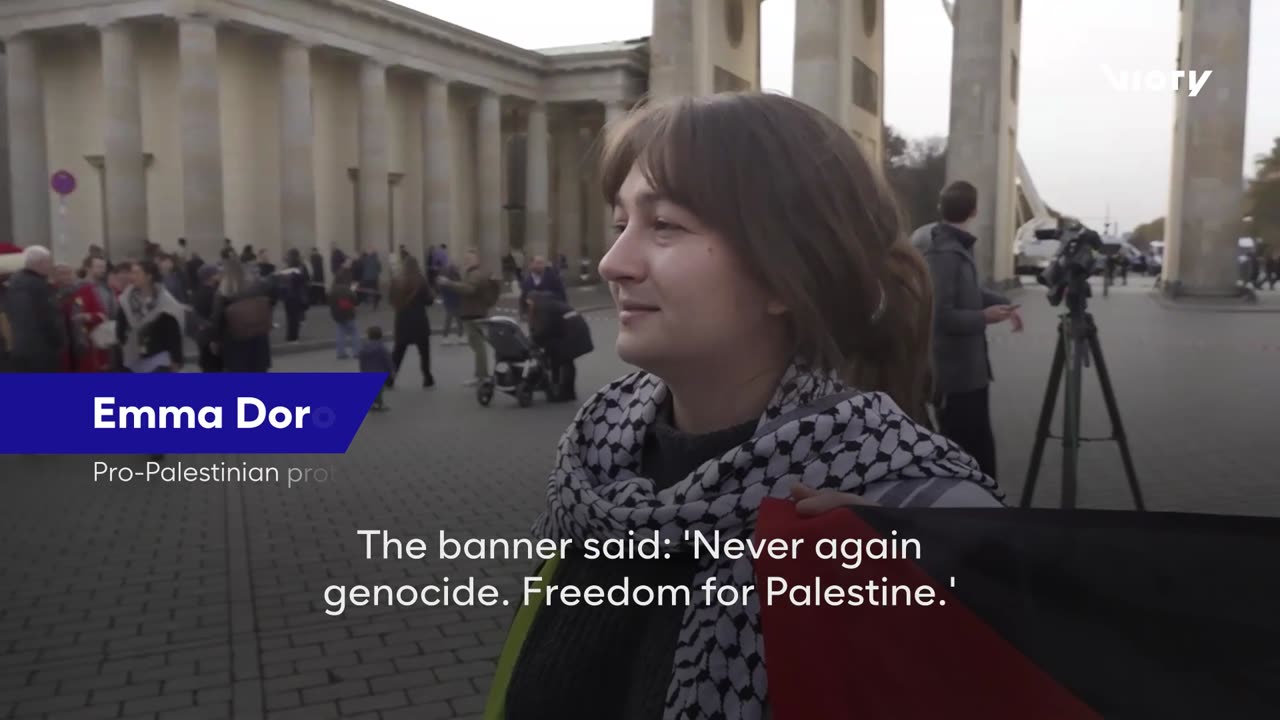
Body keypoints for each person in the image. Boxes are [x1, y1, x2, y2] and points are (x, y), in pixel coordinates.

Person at [486, 93, 1003, 720]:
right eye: (620, 222)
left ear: (787, 272)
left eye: (665, 225)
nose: (612, 262)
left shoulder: (914, 519)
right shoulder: (594, 466)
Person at [920, 180, 1022, 481]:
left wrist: (1006, 304)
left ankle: (986, 508)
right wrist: (984, 317)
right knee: (964, 452)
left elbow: (972, 293)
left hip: (971, 373)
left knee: (980, 448)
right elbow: (941, 316)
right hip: (955, 377)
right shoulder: (943, 254)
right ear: (974, 210)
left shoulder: (957, 248)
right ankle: (967, 514)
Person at [436, 248, 499, 386]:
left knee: (477, 344)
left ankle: (481, 376)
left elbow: (469, 289)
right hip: (474, 311)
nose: (466, 261)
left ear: (477, 260)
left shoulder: (475, 273)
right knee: (476, 344)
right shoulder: (473, 272)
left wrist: (449, 283)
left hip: (473, 312)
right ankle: (481, 374)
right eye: (465, 258)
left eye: (469, 259)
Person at [115, 260, 184, 373]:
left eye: (137, 273)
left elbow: (174, 333)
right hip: (134, 357)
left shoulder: (165, 301)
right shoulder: (126, 300)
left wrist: (176, 359)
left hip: (159, 357)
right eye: (132, 273)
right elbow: (120, 330)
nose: (133, 277)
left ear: (149, 276)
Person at [6, 246, 65, 372]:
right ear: (40, 263)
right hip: (42, 350)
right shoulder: (39, 286)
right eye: (49, 262)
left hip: (19, 348)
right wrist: (59, 341)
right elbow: (49, 319)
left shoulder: (12, 284)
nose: (50, 266)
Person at [525, 290, 592, 402]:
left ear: (533, 301)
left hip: (572, 333)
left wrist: (534, 340)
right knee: (565, 361)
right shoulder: (548, 303)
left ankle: (565, 393)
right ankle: (567, 392)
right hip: (576, 331)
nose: (529, 306)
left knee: (565, 361)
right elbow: (551, 327)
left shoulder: (543, 307)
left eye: (529, 303)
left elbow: (546, 328)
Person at [212, 255, 272, 372]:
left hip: (235, 340)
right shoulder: (255, 286)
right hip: (258, 338)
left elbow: (217, 319)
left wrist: (215, 340)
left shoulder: (223, 293)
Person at [388, 256, 435, 388]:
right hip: (419, 320)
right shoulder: (420, 280)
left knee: (398, 352)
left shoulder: (396, 280)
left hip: (402, 320)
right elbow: (429, 301)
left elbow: (391, 300)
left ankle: (390, 378)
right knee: (424, 352)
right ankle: (427, 377)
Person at [190, 264, 224, 372]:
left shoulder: (196, 293)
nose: (220, 275)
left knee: (206, 365)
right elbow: (215, 318)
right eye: (217, 273)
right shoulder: (213, 294)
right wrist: (215, 339)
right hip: (212, 338)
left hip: (202, 338)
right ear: (211, 276)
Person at [358, 325, 393, 410]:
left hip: (367, 372)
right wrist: (392, 370)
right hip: (379, 372)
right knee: (379, 391)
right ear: (381, 336)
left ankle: (372, 404)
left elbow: (361, 360)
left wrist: (362, 370)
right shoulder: (382, 348)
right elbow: (387, 360)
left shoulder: (364, 348)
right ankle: (380, 404)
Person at [280, 248, 310, 343]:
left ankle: (289, 336)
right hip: (297, 296)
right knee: (296, 318)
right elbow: (305, 280)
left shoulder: (285, 268)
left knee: (289, 318)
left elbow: (282, 281)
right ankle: (294, 337)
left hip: (287, 297)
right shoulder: (300, 268)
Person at [329, 268, 359, 360]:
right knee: (354, 333)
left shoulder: (332, 289)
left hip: (337, 314)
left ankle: (341, 353)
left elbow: (329, 302)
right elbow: (354, 300)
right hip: (348, 313)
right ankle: (356, 352)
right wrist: (354, 290)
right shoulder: (347, 289)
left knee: (340, 333)